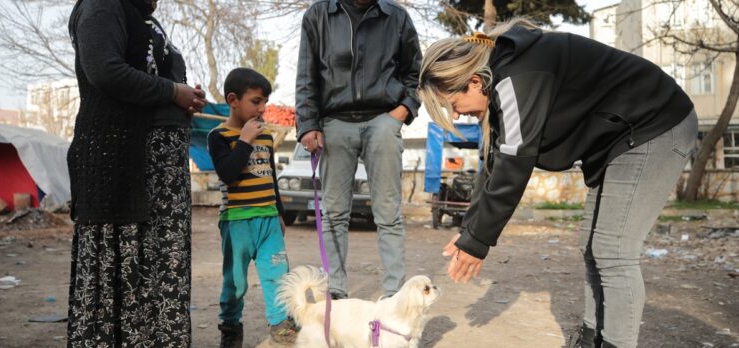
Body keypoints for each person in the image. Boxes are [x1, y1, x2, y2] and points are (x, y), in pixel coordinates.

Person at [418, 19, 697, 348]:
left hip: (656, 125)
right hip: (621, 141)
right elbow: (493, 165)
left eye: (454, 105)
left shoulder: (517, 78)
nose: (458, 115)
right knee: (593, 247)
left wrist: (479, 241)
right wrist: (470, 231)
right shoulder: (501, 81)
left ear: (474, 82)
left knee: (613, 251)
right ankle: (592, 338)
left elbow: (515, 163)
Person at [67, 0, 206, 346]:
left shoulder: (144, 18)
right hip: (127, 169)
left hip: (158, 174)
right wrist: (174, 91)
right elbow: (104, 69)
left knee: (158, 268)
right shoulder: (104, 5)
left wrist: (185, 96)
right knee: (127, 267)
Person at [295, 0, 422, 299]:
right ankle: (336, 292)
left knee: (388, 214)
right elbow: (306, 75)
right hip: (335, 122)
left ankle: (393, 295)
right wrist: (308, 123)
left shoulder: (397, 17)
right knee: (334, 214)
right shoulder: (318, 15)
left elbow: (416, 73)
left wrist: (404, 110)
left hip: (383, 120)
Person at [207, 68, 297, 347]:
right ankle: (231, 329)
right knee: (235, 283)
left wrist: (279, 213)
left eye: (264, 102)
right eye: (256, 101)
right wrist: (244, 140)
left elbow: (271, 178)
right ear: (233, 100)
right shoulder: (219, 136)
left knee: (278, 276)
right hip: (237, 223)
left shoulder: (267, 137)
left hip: (268, 221)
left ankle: (281, 326)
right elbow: (228, 174)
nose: (262, 108)